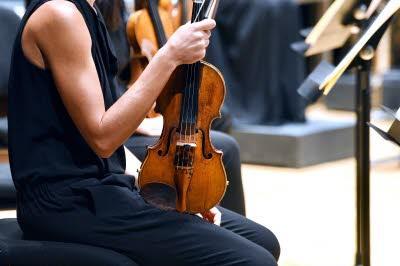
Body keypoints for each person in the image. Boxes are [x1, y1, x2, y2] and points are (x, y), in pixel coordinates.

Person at [8, 0, 280, 265]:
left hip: (105, 186)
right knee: (255, 260)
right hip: (66, 203)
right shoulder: (60, 15)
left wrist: (161, 186)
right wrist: (170, 55)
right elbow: (102, 138)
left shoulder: (89, 10)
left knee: (263, 240)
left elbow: (96, 141)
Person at [95, 0, 246, 216]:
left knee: (222, 121)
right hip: (119, 130)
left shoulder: (117, 10)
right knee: (226, 147)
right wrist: (143, 123)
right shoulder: (92, 15)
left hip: (127, 108)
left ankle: (210, 207)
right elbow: (104, 98)